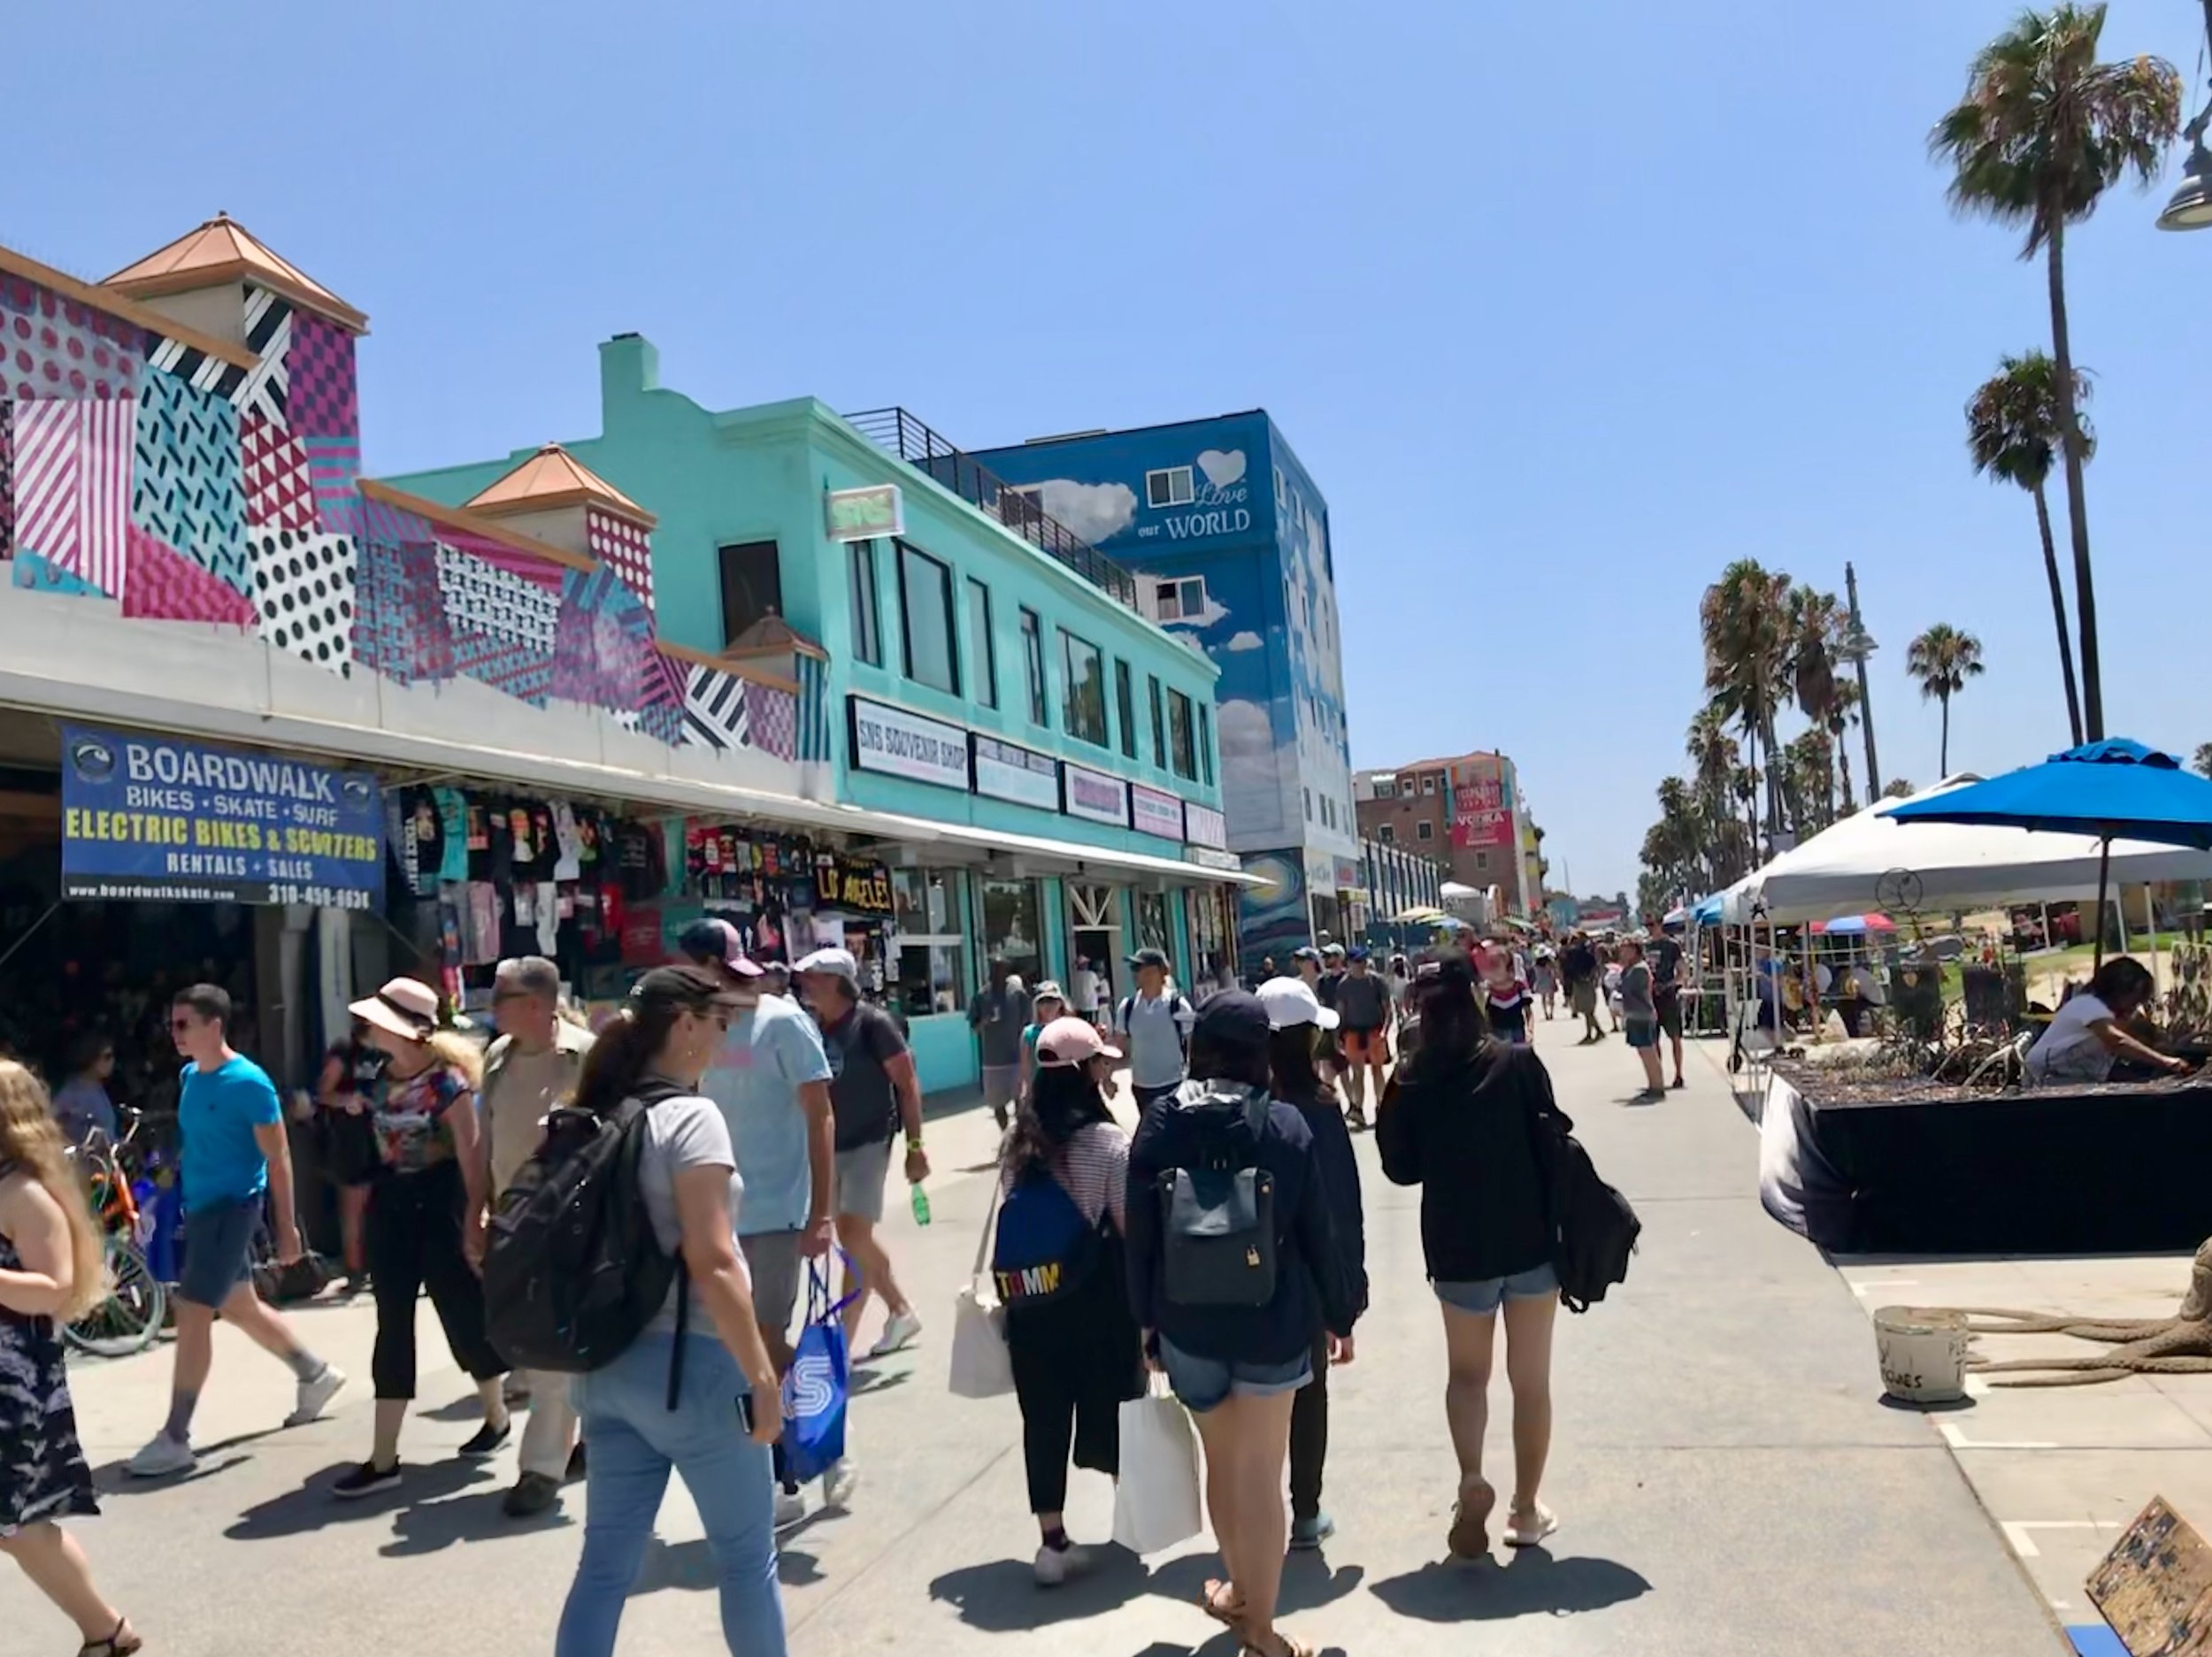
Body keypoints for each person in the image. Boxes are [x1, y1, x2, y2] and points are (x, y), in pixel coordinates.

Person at [552, 966, 786, 1657]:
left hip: (607, 1372)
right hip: (697, 1371)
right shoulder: (691, 1117)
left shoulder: (595, 1114)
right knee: (747, 1560)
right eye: (718, 1023)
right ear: (684, 1023)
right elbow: (712, 1261)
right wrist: (763, 1377)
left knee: (603, 1569)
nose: (724, 1037)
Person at [1125, 993, 1353, 1657]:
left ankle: (1241, 1593)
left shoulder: (1159, 1121)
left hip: (1187, 1324)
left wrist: (1145, 1325)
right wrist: (1340, 1313)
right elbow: (1319, 1233)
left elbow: (1139, 1238)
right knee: (1260, 1474)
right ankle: (1262, 1634)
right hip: (1274, 1322)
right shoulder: (1284, 1124)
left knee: (1223, 1464)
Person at [1377, 950, 1562, 1561]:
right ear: (1477, 997)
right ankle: (1527, 1510)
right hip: (1530, 1239)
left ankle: (1470, 1479)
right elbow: (1554, 1139)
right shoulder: (1516, 1063)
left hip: (1458, 1248)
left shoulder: (1412, 1079)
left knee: (1466, 1375)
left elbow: (1400, 1168)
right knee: (1530, 1381)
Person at [127, 985, 345, 1478]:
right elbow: (200, 1142)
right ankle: (315, 1373)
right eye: (172, 1024)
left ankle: (176, 1435)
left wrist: (287, 1229)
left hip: (232, 1209)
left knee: (193, 1312)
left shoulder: (249, 1084)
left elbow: (279, 1157)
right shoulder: (191, 1077)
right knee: (238, 1304)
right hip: (199, 1207)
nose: (175, 1033)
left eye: (184, 1024)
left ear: (214, 1026)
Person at [683, 921, 839, 1527]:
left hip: (777, 1211)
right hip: (715, 1211)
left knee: (762, 1349)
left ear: (714, 964)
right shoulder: (697, 1024)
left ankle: (786, 1478)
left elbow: (820, 1115)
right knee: (737, 1348)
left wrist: (822, 1210)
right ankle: (822, 1427)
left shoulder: (781, 1021)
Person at [334, 977, 508, 1497]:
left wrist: (477, 1215)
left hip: (441, 1205)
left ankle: (496, 1416)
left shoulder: (450, 1084)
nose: (366, 1028)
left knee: (461, 1311)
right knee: (392, 1320)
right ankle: (384, 1459)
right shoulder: (376, 1078)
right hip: (391, 1206)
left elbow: (472, 1160)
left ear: (407, 1030)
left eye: (377, 1019)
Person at [995, 1018, 1142, 1585]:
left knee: (1044, 1417)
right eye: (1099, 1063)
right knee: (1112, 1401)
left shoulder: (1018, 1142)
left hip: (1031, 1300)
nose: (1106, 1070)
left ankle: (1051, 1543)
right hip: (1097, 1299)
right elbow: (1128, 1224)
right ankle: (1126, 1518)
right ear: (1084, 1072)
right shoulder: (1108, 1142)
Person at [0, 1061, 139, 1656]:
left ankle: (106, 1630)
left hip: (14, 1381)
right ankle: (106, 1630)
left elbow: (55, 1289)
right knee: (23, 1528)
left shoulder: (24, 1193)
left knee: (23, 1526)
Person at [476, 956, 595, 1518]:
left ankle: (540, 1469)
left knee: (552, 1350)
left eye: (501, 996)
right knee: (544, 1342)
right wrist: (476, 1207)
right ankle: (591, 1435)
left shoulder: (587, 1057)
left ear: (535, 1004)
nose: (491, 1006)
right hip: (512, 1224)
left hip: (574, 1224)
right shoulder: (497, 1059)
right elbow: (486, 1141)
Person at [1256, 977, 1365, 1552]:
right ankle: (1305, 1511)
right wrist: (1345, 1301)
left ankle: (1255, 1513)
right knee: (1308, 1396)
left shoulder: (1238, 1106)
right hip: (1305, 1283)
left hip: (1240, 1279)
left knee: (1252, 1405)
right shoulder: (1320, 1110)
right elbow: (1342, 1209)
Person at [796, 948, 927, 1361]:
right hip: (830, 1146)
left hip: (871, 1141)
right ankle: (900, 1310)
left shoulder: (873, 1024)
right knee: (854, 1239)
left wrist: (915, 1148)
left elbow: (907, 1085)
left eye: (813, 976)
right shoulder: (813, 1027)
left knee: (853, 1235)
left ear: (836, 980)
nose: (805, 984)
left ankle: (841, 1347)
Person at [2025, 956, 2190, 1085]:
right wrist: (2165, 1062)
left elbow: (2144, 1033)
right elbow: (2117, 1041)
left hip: (2073, 1076)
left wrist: (2168, 1046)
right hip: (2043, 1078)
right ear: (2119, 991)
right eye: (2135, 999)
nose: (2135, 1005)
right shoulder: (2088, 1005)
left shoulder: (2112, 1015)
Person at [313, 1023, 384, 1294]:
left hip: (385, 1134)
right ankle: (355, 1270)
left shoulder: (387, 1054)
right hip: (352, 1139)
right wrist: (346, 1100)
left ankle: (382, 1265)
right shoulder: (345, 1053)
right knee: (353, 1208)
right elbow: (323, 1092)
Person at [1114, 947, 1196, 1113]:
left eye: (1139, 968)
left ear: (1158, 972)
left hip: (1173, 1085)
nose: (1134, 974)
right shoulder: (1127, 1007)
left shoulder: (1177, 1005)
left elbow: (1193, 1043)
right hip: (1141, 1088)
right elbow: (1121, 1048)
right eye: (1133, 969)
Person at [1329, 948, 1391, 1131]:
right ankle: (1359, 1109)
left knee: (1377, 1070)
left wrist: (1385, 1031)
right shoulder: (1344, 985)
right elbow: (1340, 1011)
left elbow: (1387, 1008)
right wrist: (1336, 1035)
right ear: (1349, 963)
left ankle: (1381, 1106)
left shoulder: (1377, 981)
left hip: (1374, 1030)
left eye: (1363, 961)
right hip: (1353, 1032)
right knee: (1357, 1073)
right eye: (1357, 962)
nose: (1360, 965)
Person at [969, 958, 1029, 1132]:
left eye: (1001, 969)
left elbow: (1028, 1022)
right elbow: (974, 1028)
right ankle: (1005, 1136)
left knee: (1020, 1101)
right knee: (997, 1104)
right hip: (993, 1062)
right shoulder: (982, 995)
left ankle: (1019, 1136)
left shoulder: (1017, 994)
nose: (997, 973)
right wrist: (984, 1022)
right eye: (995, 969)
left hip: (1016, 1057)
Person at [49, 1034, 117, 1148]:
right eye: (107, 1056)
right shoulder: (72, 1091)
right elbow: (49, 1122)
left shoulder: (98, 1088)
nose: (112, 1061)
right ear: (91, 1058)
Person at [1617, 940, 1664, 1099]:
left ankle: (1657, 1086)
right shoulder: (1630, 969)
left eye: (1626, 950)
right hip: (1635, 1014)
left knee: (1648, 1051)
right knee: (1643, 1051)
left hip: (1642, 1014)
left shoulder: (1639, 970)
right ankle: (1652, 1084)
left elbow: (1629, 989)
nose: (1622, 953)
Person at [1644, 921, 1688, 1089]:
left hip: (1668, 997)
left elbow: (1682, 971)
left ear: (1660, 925)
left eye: (1652, 924)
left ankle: (1679, 1074)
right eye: (1646, 925)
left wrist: (1669, 984)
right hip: (1650, 997)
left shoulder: (1671, 946)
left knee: (1675, 1037)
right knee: (1653, 1040)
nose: (1649, 929)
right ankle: (1658, 1075)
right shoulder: (1645, 946)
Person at [1015, 982, 1068, 1113]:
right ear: (1036, 1005)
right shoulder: (1029, 1033)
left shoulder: (1068, 1029)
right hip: (1038, 1092)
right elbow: (1024, 1066)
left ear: (1060, 1003)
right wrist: (1025, 1092)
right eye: (1043, 1001)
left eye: (1052, 1001)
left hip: (1066, 1091)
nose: (1048, 1006)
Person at [1480, 943, 1533, 1045]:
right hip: (1496, 1035)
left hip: (1517, 1033)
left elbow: (1528, 1012)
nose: (1492, 968)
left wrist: (1530, 1031)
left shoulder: (1519, 986)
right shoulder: (1486, 989)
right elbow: (1485, 1016)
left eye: (1496, 964)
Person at [1562, 933, 1603, 1042]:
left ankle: (1595, 1032)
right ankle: (1594, 1032)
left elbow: (1594, 966)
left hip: (1583, 982)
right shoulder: (1575, 952)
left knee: (1588, 1010)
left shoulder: (1581, 952)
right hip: (1579, 981)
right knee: (1586, 1010)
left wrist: (1591, 978)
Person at [1069, 956, 1103, 1032]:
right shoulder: (1091, 975)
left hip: (1079, 1005)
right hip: (1091, 1005)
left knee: (1082, 1025)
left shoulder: (1074, 976)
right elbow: (1099, 988)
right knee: (1093, 1025)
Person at [1531, 947, 1559, 1021]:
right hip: (1549, 980)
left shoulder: (1535, 964)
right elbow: (1552, 972)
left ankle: (1545, 1013)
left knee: (1543, 998)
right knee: (1551, 998)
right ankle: (1551, 1013)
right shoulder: (1549, 963)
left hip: (1540, 981)